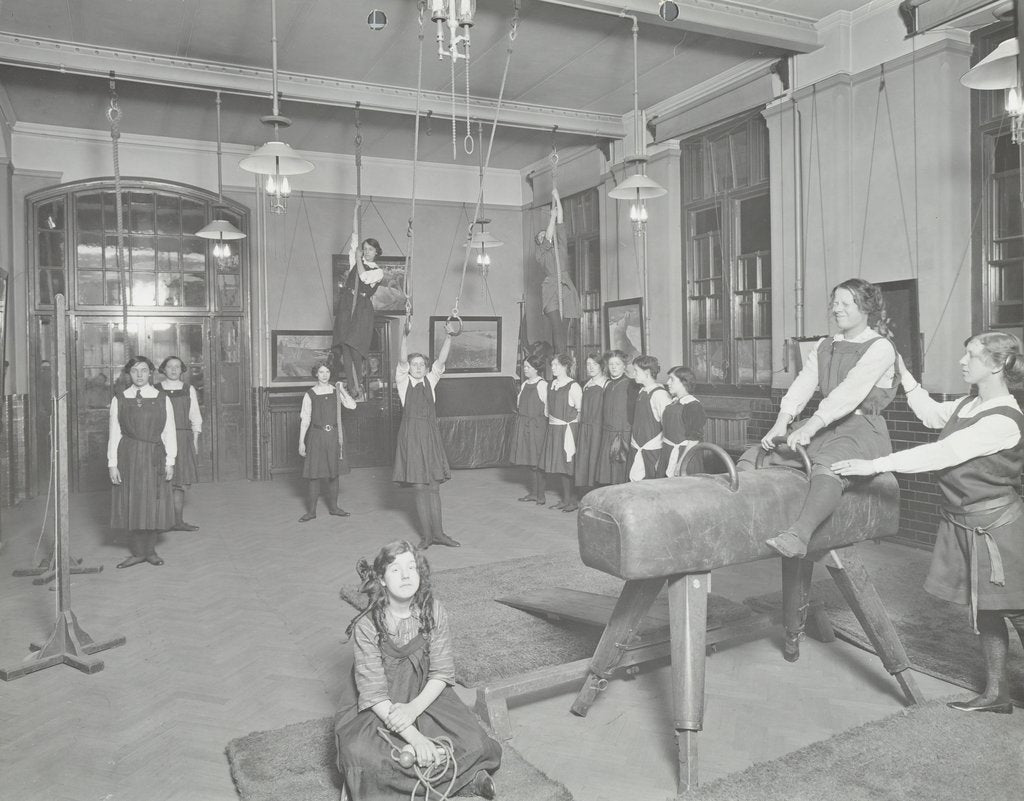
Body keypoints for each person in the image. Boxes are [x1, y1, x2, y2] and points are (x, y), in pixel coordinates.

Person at [834, 332, 1024, 715]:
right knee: (986, 609)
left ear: (998, 364)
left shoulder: (1004, 419)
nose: (962, 361)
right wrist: (904, 373)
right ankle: (996, 693)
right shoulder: (968, 405)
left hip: (998, 527)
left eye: (971, 355)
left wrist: (873, 465)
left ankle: (998, 692)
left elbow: (943, 452)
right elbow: (930, 413)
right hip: (965, 523)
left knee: (1019, 610)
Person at [743, 278, 899, 559]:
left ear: (864, 307)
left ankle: (799, 535)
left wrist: (812, 426)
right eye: (834, 302)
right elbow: (804, 383)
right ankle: (742, 516)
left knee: (829, 466)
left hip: (862, 428)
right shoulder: (826, 345)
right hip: (826, 423)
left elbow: (848, 394)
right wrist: (782, 420)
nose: (836, 309)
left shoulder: (880, 347)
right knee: (757, 454)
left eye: (844, 303)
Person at [334, 540, 502, 799]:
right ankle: (459, 782)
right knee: (360, 753)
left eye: (411, 567)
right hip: (381, 707)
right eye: (395, 569)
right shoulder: (367, 626)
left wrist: (413, 709)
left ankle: (464, 781)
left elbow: (441, 673)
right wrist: (416, 739)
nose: (405, 575)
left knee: (475, 741)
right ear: (381, 579)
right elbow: (373, 694)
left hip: (425, 696)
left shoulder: (433, 611)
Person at [393, 327, 460, 548]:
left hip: (430, 436)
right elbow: (402, 360)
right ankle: (427, 536)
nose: (419, 368)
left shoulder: (431, 380)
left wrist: (449, 336)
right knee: (420, 488)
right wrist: (404, 336)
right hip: (411, 438)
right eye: (415, 365)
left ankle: (439, 534)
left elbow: (441, 360)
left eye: (422, 364)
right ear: (409, 368)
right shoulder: (403, 382)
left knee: (434, 487)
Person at [108, 356, 176, 568]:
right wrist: (112, 463)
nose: (139, 375)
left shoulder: (162, 397)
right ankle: (137, 553)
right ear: (129, 373)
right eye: (135, 370)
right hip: (128, 455)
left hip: (154, 455)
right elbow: (114, 433)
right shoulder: (120, 398)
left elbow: (169, 431)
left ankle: (150, 551)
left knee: (153, 502)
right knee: (133, 503)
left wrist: (170, 460)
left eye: (144, 370)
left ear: (151, 373)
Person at [333, 206, 384, 401]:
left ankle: (358, 384)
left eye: (371, 249)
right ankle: (352, 387)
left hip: (361, 308)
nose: (367, 252)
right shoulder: (356, 260)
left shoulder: (376, 271)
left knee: (355, 346)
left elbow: (363, 278)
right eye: (365, 249)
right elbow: (354, 236)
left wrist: (358, 259)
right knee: (345, 345)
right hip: (347, 305)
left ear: (376, 252)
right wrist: (355, 211)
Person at [298, 361, 357, 522]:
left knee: (334, 473)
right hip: (316, 436)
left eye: (327, 372)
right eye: (321, 372)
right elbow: (305, 419)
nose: (325, 375)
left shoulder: (336, 391)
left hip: (334, 436)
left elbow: (352, 406)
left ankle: (334, 508)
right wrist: (301, 442)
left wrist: (342, 389)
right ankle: (311, 511)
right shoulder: (309, 394)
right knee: (314, 475)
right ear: (316, 374)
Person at [156, 356, 202, 532]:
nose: (174, 370)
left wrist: (195, 441)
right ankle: (162, 522)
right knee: (162, 481)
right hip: (161, 439)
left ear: (181, 370)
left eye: (177, 367)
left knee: (180, 482)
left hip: (182, 438)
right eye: (170, 367)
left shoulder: (188, 389)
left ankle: (178, 522)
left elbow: (195, 416)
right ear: (164, 370)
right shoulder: (156, 389)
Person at [534, 188, 581, 354]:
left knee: (563, 328)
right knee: (556, 326)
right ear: (539, 242)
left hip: (566, 287)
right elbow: (548, 236)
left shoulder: (560, 247)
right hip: (551, 289)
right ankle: (560, 357)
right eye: (540, 237)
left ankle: (561, 357)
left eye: (544, 235)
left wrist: (557, 198)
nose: (544, 237)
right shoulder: (540, 254)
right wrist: (551, 217)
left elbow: (561, 223)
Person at [538, 353, 583, 512]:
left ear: (565, 366)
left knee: (568, 465)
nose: (553, 368)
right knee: (559, 465)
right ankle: (565, 499)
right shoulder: (551, 385)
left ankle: (573, 500)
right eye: (552, 365)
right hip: (554, 429)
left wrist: (570, 427)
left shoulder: (573, 386)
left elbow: (580, 410)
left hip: (567, 431)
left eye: (556, 365)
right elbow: (547, 410)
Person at [508, 354, 548, 505]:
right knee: (529, 460)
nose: (525, 369)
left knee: (538, 461)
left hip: (537, 427)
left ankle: (541, 495)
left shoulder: (542, 385)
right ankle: (533, 493)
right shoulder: (525, 384)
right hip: (524, 425)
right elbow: (519, 404)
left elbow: (548, 408)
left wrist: (539, 423)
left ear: (536, 368)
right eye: (524, 366)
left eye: (528, 367)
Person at [595, 350, 639, 486]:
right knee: (607, 474)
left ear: (624, 366)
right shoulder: (608, 385)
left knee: (620, 474)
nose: (614, 367)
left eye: (617, 364)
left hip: (623, 435)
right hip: (608, 434)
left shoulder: (632, 384)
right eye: (611, 364)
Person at [659, 366, 707, 478]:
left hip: (685, 458)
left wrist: (681, 464)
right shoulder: (673, 403)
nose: (667, 382)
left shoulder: (693, 406)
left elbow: (694, 440)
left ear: (683, 382)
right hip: (668, 453)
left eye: (672, 379)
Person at [629, 355, 671, 481]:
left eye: (636, 371)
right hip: (638, 447)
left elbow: (668, 427)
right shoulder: (642, 391)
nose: (633, 374)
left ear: (647, 373)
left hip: (653, 451)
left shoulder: (660, 395)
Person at [574, 353, 607, 499]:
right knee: (584, 460)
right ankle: (585, 494)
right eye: (588, 364)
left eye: (594, 364)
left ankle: (596, 496)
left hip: (598, 428)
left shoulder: (606, 384)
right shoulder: (587, 384)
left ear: (601, 366)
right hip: (585, 428)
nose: (591, 367)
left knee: (595, 460)